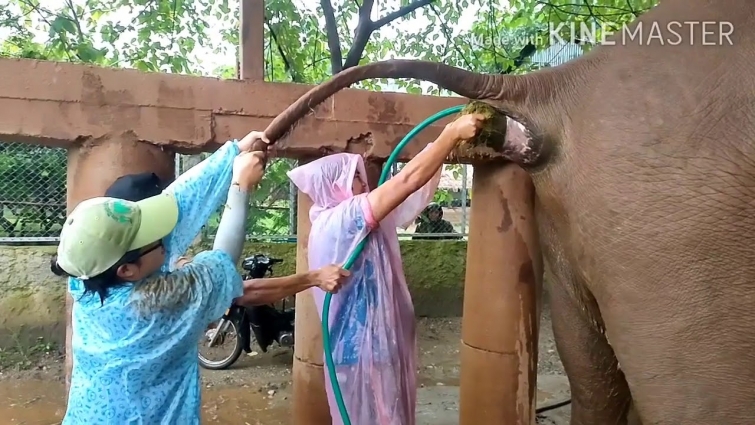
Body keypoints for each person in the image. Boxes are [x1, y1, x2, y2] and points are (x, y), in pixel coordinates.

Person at [51, 133, 349, 424]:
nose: (166, 239)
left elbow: (175, 206)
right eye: (155, 239)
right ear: (128, 270)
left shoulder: (84, 278)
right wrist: (239, 187)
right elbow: (221, 264)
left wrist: (231, 154)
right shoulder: (158, 302)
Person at [288, 113, 484, 425]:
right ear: (335, 185)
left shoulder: (355, 221)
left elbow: (410, 194)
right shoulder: (343, 220)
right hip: (360, 354)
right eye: (355, 178)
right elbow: (406, 181)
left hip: (377, 348)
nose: (364, 183)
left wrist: (442, 150)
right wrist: (450, 134)